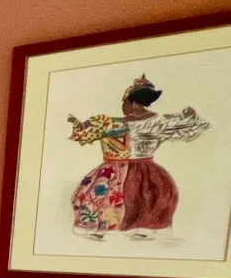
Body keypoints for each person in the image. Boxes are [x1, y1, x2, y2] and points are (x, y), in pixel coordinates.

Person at [67, 75, 210, 238]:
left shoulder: (154, 122)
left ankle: (134, 229)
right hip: (116, 170)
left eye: (125, 103)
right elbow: (87, 131)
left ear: (133, 103)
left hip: (135, 171)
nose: (124, 106)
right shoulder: (115, 122)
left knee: (141, 197)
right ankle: (111, 228)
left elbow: (188, 125)